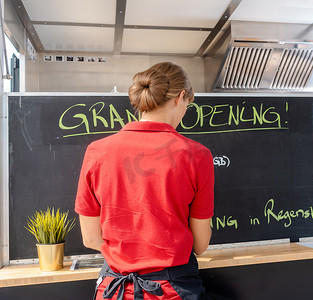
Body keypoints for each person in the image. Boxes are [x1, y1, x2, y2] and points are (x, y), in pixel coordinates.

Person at [75, 62, 215, 300]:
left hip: (113, 289)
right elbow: (200, 245)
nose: (184, 112)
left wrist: (130, 256)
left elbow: (90, 238)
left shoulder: (96, 151)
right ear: (180, 97)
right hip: (171, 291)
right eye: (187, 106)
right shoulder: (197, 155)